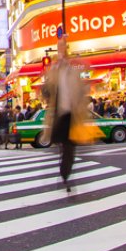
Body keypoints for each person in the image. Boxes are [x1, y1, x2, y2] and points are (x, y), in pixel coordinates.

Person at [41, 35, 90, 192]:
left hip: (71, 116)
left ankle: (65, 174)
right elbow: (47, 88)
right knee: (64, 147)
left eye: (64, 49)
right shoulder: (54, 71)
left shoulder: (73, 72)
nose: (62, 52)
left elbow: (81, 91)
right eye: (60, 48)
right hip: (58, 115)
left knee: (69, 149)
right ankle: (65, 174)